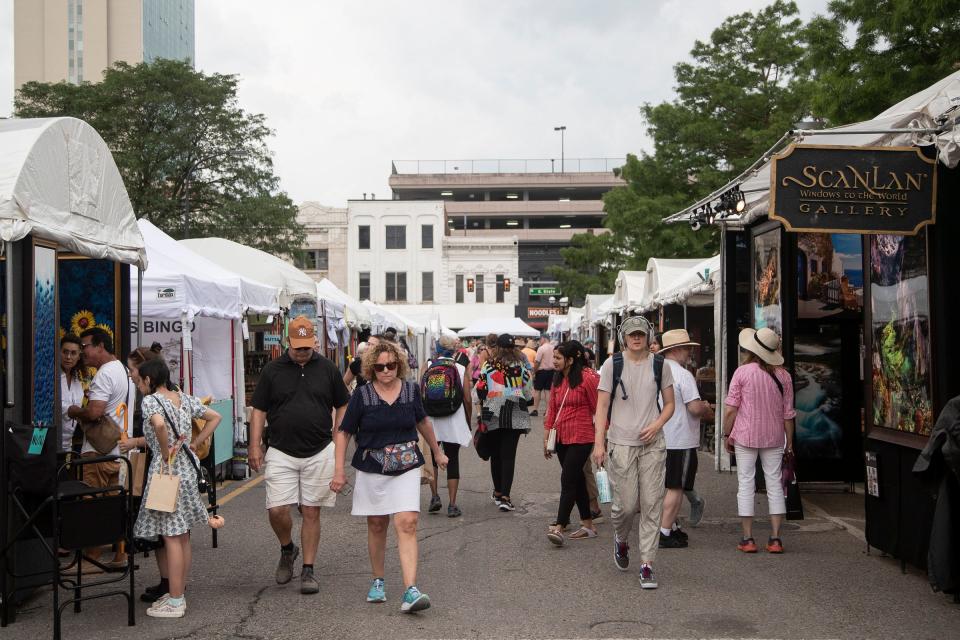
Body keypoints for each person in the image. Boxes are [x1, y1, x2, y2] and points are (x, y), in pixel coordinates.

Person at [330, 340, 448, 612]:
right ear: (372, 368)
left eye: (391, 365)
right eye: (381, 366)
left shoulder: (410, 391)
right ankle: (378, 580)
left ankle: (410, 590)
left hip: (406, 464)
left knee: (407, 522)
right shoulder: (362, 395)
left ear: (399, 365)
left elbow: (423, 422)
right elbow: (344, 432)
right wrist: (338, 470)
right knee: (377, 524)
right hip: (372, 466)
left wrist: (437, 452)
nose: (386, 371)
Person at [248, 316, 351, 594]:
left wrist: (337, 433)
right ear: (288, 342)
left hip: (319, 450)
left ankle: (308, 570)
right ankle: (287, 548)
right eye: (298, 347)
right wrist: (254, 445)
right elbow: (259, 410)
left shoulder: (328, 368)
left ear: (314, 341)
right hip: (281, 449)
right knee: (277, 509)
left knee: (311, 510)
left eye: (307, 347)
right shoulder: (272, 371)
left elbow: (343, 404)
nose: (303, 352)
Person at [132, 358, 222, 618]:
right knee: (182, 534)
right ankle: (177, 592)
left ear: (149, 380)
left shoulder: (150, 400)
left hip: (167, 469)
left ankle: (175, 600)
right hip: (187, 466)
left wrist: (163, 450)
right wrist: (196, 443)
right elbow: (215, 416)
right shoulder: (182, 397)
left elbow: (159, 424)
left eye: (139, 381)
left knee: (171, 534)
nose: (138, 385)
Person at [592, 315, 675, 589]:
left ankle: (647, 564)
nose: (637, 337)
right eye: (631, 334)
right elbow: (602, 407)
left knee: (652, 504)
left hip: (653, 444)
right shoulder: (611, 364)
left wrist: (657, 424)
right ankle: (621, 538)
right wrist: (599, 443)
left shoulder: (660, 364)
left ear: (648, 336)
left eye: (641, 333)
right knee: (625, 507)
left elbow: (670, 404)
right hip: (621, 443)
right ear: (623, 337)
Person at [66, 327, 136, 568]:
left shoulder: (105, 374)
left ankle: (92, 558)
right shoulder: (124, 371)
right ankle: (119, 554)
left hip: (98, 451)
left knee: (92, 503)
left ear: (100, 346)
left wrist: (75, 411)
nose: (83, 352)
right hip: (119, 449)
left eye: (85, 346)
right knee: (113, 503)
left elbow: (95, 412)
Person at [722, 327, 795, 554]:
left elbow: (731, 410)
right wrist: (789, 443)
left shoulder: (742, 373)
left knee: (746, 482)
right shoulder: (784, 376)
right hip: (774, 436)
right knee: (774, 484)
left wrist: (726, 434)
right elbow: (788, 414)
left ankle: (748, 538)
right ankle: (775, 539)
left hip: (745, 435)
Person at [655, 330, 715, 549]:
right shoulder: (682, 374)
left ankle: (669, 526)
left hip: (659, 436)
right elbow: (694, 407)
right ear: (676, 350)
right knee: (676, 486)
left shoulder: (657, 370)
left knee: (665, 485)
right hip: (680, 438)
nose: (690, 352)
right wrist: (707, 408)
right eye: (687, 348)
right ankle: (664, 531)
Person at [121, 343, 170, 603]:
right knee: (167, 534)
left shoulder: (153, 398)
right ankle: (168, 583)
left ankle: (173, 588)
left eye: (132, 369)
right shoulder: (168, 393)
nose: (130, 374)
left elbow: (161, 430)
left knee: (168, 533)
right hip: (163, 468)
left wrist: (136, 443)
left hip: (161, 470)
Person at [544, 341, 600, 546]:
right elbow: (551, 408)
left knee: (567, 480)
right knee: (576, 481)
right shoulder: (558, 379)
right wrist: (546, 435)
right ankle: (588, 525)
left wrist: (603, 439)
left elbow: (600, 409)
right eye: (554, 357)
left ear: (570, 359)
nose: (554, 361)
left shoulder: (588, 378)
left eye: (558, 358)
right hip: (561, 437)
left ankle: (560, 526)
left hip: (583, 437)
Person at [475, 334, 533, 512]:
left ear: (497, 348)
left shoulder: (489, 366)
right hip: (515, 410)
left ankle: (498, 492)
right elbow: (528, 390)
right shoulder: (520, 366)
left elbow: (480, 389)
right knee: (509, 455)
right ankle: (506, 497)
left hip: (493, 409)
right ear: (513, 348)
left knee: (496, 454)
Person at [424, 336, 473, 517]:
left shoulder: (428, 365)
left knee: (433, 459)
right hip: (453, 419)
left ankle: (435, 496)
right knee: (452, 460)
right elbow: (467, 398)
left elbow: (421, 394)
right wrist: (468, 419)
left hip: (431, 421)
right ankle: (452, 505)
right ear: (454, 350)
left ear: (436, 348)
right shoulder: (460, 368)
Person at [59, 334, 86, 452]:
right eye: (65, 352)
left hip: (67, 444)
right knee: (33, 465)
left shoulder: (76, 380)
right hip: (42, 435)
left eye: (73, 353)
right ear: (58, 352)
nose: (68, 357)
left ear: (79, 356)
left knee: (63, 469)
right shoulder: (49, 375)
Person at [531, 335, 555, 417]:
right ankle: (548, 410)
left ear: (544, 339)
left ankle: (535, 409)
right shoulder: (553, 348)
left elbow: (537, 361)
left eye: (540, 340)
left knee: (538, 390)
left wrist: (534, 371)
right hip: (552, 371)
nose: (539, 341)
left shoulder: (541, 348)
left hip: (541, 371)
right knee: (548, 391)